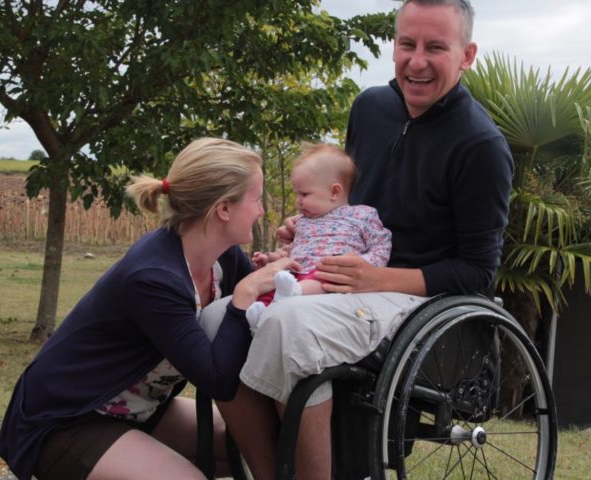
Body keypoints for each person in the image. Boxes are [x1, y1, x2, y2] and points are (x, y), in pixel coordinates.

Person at [219, 1, 514, 479]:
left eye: (435, 47)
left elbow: (478, 272)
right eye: (407, 44)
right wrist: (312, 226)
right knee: (218, 317)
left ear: (467, 55)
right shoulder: (370, 107)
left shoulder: (480, 147)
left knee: (291, 324)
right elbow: (350, 201)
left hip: (412, 301)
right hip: (337, 279)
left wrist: (377, 278)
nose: (417, 61)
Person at [0, 137, 300, 480]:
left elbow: (268, 302)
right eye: (256, 199)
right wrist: (244, 294)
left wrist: (296, 250)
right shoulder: (154, 279)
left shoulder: (222, 259)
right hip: (69, 418)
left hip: (136, 408)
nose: (262, 210)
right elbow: (218, 379)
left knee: (250, 445)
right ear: (223, 209)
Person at [246, 143, 392, 327]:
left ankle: (290, 295)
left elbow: (382, 245)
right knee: (276, 279)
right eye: (297, 193)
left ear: (334, 192)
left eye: (304, 194)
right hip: (296, 273)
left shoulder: (362, 215)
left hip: (332, 276)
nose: (298, 201)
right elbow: (295, 251)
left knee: (321, 276)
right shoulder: (303, 222)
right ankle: (262, 312)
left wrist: (364, 264)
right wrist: (272, 259)